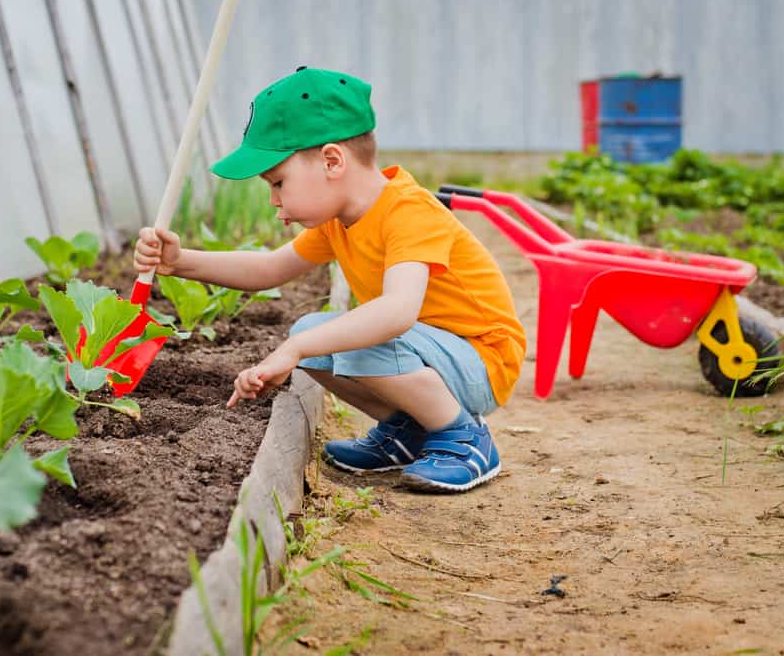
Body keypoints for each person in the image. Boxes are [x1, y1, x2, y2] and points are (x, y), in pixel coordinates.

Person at [133, 67, 526, 493]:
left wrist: (294, 348)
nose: (274, 200)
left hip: (482, 361)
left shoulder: (409, 212)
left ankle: (464, 438)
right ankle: (408, 431)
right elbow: (270, 270)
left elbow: (396, 312)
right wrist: (180, 261)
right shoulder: (339, 220)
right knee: (313, 334)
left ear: (332, 161)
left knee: (344, 341)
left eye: (278, 182)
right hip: (433, 354)